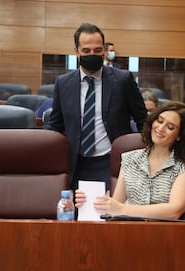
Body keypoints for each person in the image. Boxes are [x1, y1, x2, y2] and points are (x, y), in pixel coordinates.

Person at [46, 23, 148, 191]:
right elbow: (56, 124)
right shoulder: (63, 83)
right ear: (76, 51)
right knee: (76, 213)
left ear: (104, 51)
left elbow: (142, 120)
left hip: (113, 162)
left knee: (109, 213)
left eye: (97, 50)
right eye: (86, 51)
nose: (92, 54)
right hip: (76, 163)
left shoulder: (123, 80)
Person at [75, 101, 185, 220]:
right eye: (159, 121)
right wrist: (89, 201)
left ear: (179, 135)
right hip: (128, 232)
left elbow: (174, 211)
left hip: (167, 235)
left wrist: (124, 209)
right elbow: (115, 206)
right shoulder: (129, 159)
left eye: (170, 127)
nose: (160, 128)